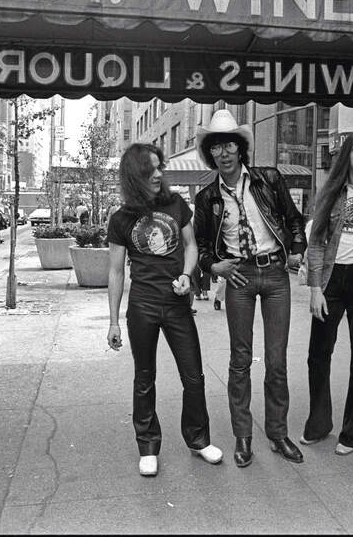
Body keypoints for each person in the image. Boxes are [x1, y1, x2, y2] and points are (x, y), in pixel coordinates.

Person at [193, 110, 306, 467]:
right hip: (239, 277)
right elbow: (201, 246)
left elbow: (293, 219)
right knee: (240, 360)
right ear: (210, 154)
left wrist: (297, 250)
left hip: (274, 274)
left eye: (230, 145)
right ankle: (243, 436)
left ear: (240, 148)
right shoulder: (207, 197)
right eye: (216, 147)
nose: (224, 153)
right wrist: (214, 266)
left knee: (276, 361)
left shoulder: (268, 179)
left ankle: (278, 433)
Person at [106, 143, 222, 477]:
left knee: (193, 376)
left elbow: (191, 246)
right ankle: (148, 447)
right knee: (144, 378)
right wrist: (113, 321)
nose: (158, 174)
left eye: (160, 167)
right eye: (150, 170)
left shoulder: (175, 204)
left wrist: (186, 275)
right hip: (142, 305)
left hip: (177, 303)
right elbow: (115, 271)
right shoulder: (121, 219)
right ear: (135, 176)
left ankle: (199, 440)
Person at [301, 133, 353, 456]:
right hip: (332, 278)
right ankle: (319, 422)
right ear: (347, 156)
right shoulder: (332, 192)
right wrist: (315, 288)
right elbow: (316, 241)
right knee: (318, 353)